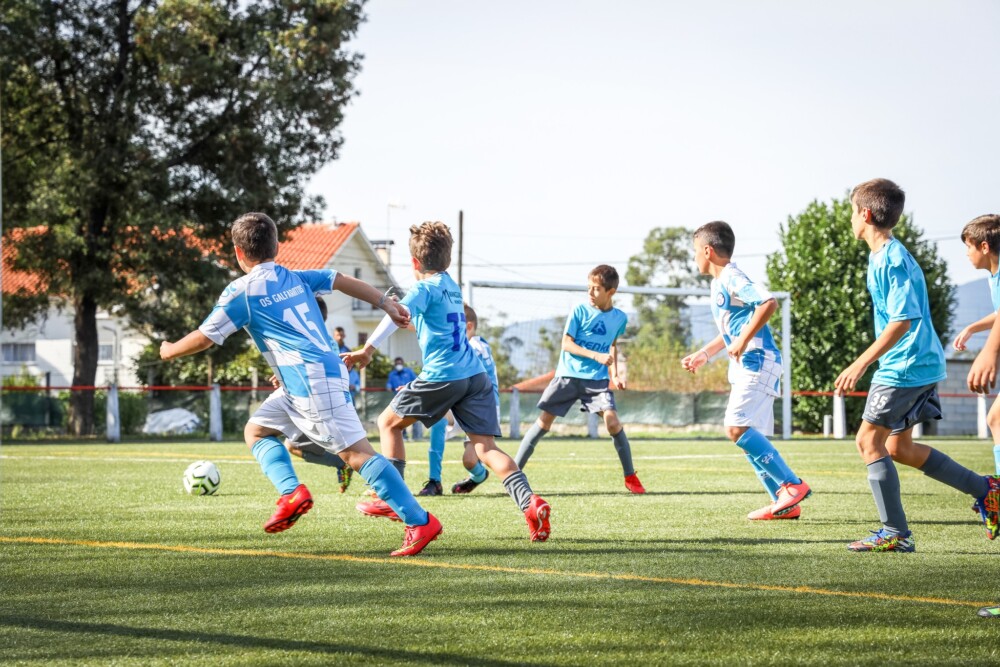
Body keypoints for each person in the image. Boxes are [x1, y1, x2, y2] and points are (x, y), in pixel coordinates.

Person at [160, 212, 441, 557]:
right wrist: (384, 302)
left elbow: (205, 338)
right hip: (306, 379)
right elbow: (338, 279)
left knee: (356, 454)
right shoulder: (292, 277)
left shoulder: (242, 291)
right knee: (257, 430)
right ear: (277, 246)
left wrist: (169, 350)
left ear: (238, 252)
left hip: (311, 381)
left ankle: (419, 520)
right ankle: (291, 493)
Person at [344, 221, 551, 541]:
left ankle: (389, 498)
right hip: (475, 375)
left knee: (388, 423)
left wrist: (367, 349)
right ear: (448, 260)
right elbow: (428, 323)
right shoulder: (451, 286)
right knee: (485, 448)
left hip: (444, 375)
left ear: (414, 263)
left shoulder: (423, 289)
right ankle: (530, 502)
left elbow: (396, 314)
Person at [834, 179, 1000, 552]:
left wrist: (860, 363)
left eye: (851, 212)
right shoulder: (882, 256)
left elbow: (902, 320)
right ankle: (987, 490)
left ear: (864, 214)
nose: (850, 220)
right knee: (898, 448)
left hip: (904, 366)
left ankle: (895, 534)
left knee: (868, 441)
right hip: (917, 364)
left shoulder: (891, 258)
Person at [681, 222, 811, 520]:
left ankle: (792, 485)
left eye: (694, 252)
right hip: (748, 363)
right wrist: (705, 354)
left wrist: (742, 340)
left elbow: (768, 303)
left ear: (707, 250)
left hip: (757, 360)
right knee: (748, 437)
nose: (694, 258)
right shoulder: (719, 283)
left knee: (736, 427)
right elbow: (731, 329)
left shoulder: (731, 276)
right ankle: (783, 502)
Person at [514, 265, 646, 494]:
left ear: (610, 292)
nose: (590, 293)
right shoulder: (579, 311)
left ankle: (630, 476)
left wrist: (614, 374)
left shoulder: (619, 319)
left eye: (596, 289)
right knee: (544, 423)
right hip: (567, 376)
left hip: (596, 381)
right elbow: (566, 344)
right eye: (589, 288)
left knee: (612, 422)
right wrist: (595, 355)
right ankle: (513, 474)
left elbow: (612, 345)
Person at [272, 297, 353, 494]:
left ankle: (344, 466)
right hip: (329, 399)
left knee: (284, 442)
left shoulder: (310, 338)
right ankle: (346, 466)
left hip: (312, 400)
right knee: (346, 446)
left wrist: (284, 376)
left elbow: (308, 367)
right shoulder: (328, 341)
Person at [421, 304, 495, 496]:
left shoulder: (475, 347)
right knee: (438, 419)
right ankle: (434, 481)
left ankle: (481, 476)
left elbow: (461, 375)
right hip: (463, 401)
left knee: (471, 460)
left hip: (480, 406)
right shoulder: (468, 346)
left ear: (468, 326)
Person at [952, 214, 1000, 474]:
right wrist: (973, 327)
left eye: (968, 247)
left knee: (997, 418)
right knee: (996, 418)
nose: (967, 254)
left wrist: (988, 352)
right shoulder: (994, 276)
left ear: (984, 246)